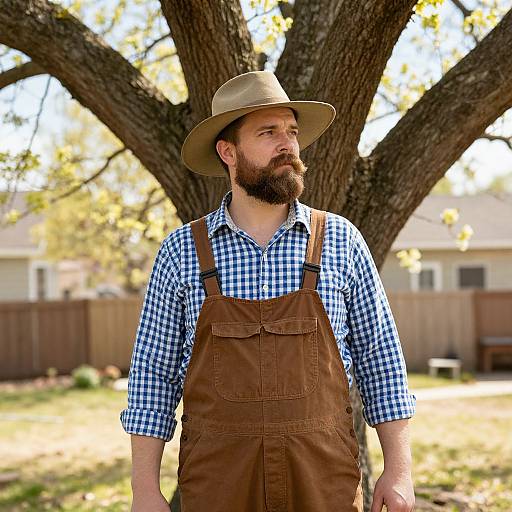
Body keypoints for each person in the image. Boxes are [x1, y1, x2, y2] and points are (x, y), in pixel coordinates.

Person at [120, 70, 417, 512]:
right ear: (228, 151)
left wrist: (399, 472)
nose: (288, 145)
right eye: (269, 132)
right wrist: (144, 490)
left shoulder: (339, 240)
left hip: (323, 482)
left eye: (292, 132)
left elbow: (383, 364)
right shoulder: (182, 252)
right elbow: (152, 379)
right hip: (218, 483)